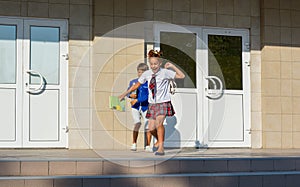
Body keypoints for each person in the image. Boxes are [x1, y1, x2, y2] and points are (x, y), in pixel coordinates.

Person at [119, 50, 185, 155]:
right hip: (152, 104)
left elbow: (181, 76)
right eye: (151, 64)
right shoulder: (147, 74)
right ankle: (159, 140)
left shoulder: (165, 72)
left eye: (155, 64)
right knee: (150, 128)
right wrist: (124, 94)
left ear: (160, 63)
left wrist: (172, 66)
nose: (153, 66)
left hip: (163, 102)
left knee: (159, 124)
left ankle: (161, 148)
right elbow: (136, 85)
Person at [127, 63, 152, 152]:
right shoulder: (133, 82)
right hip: (135, 107)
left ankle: (148, 145)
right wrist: (131, 95)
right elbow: (128, 93)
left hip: (145, 106)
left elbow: (148, 96)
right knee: (137, 123)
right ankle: (134, 143)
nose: (140, 74)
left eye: (142, 72)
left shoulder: (149, 83)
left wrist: (138, 100)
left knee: (148, 125)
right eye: (139, 72)